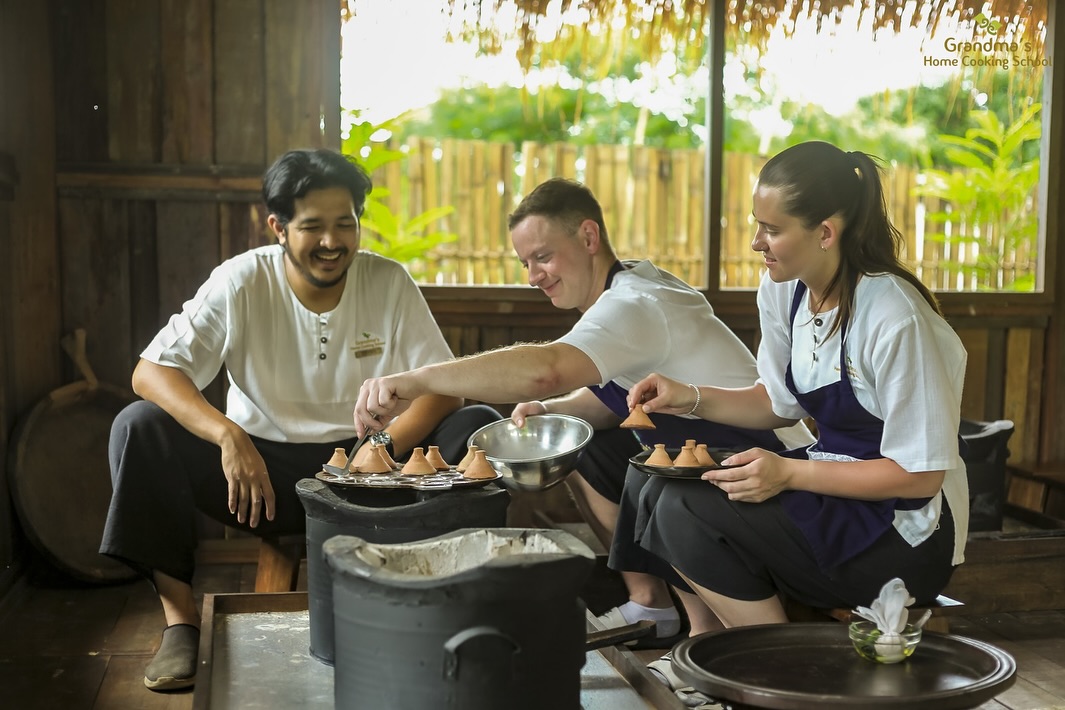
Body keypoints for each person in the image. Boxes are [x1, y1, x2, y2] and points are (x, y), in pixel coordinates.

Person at [99, 148, 501, 691]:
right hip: (258, 476)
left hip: (371, 477)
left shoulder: (388, 281)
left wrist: (378, 446)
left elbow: (442, 391)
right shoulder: (240, 281)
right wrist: (227, 433)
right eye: (313, 226)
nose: (332, 242)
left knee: (475, 422)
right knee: (138, 425)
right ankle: (181, 624)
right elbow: (152, 372)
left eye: (345, 224)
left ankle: (456, 610)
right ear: (278, 227)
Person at [353, 177, 812, 646]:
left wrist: (417, 380)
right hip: (704, 449)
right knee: (573, 438)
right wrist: (551, 408)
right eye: (526, 263)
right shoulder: (619, 294)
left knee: (659, 480)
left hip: (770, 459)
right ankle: (650, 603)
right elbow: (617, 399)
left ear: (589, 237)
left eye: (543, 256)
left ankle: (717, 637)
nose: (534, 276)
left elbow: (546, 369)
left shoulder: (635, 302)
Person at [625, 140, 969, 692]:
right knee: (654, 485)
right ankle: (712, 657)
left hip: (904, 530)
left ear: (826, 232)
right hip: (831, 486)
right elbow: (776, 403)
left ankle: (787, 682)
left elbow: (920, 474)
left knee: (688, 508)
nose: (757, 242)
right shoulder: (785, 291)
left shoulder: (895, 318)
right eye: (755, 223)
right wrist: (685, 395)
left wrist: (788, 473)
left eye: (771, 228)